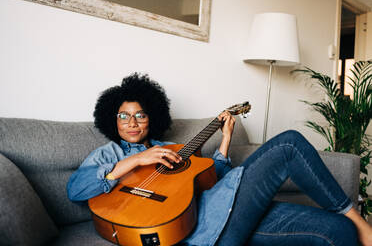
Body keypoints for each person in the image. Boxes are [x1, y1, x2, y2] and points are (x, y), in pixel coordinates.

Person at [67, 73, 372, 246]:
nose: (132, 122)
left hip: (221, 211)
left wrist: (225, 139)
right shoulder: (109, 154)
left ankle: (350, 222)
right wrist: (135, 161)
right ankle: (357, 216)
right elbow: (76, 190)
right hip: (197, 232)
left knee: (339, 232)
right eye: (123, 116)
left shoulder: (172, 147)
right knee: (288, 144)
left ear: (152, 118)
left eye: (140, 115)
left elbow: (212, 179)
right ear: (112, 120)